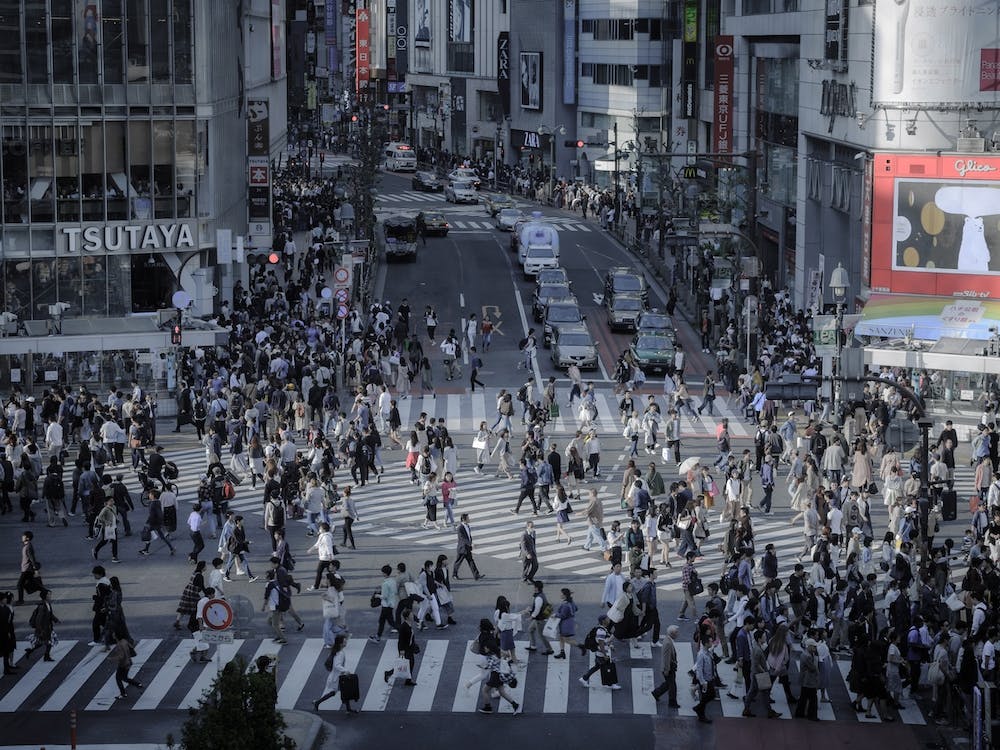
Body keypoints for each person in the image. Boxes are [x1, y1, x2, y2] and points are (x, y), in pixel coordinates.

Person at [313, 634, 358, 712]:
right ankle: (317, 702)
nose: (346, 642)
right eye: (344, 641)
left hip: (337, 676)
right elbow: (337, 665)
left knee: (344, 691)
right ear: (340, 644)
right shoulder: (340, 653)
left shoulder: (338, 651)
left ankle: (348, 709)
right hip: (336, 677)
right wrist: (345, 670)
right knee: (337, 692)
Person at [577, 614, 620, 689]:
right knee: (608, 667)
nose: (609, 620)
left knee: (598, 666)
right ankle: (611, 684)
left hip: (601, 652)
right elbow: (601, 644)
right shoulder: (601, 631)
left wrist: (610, 646)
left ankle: (584, 678)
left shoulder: (602, 629)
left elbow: (604, 641)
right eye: (607, 619)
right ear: (603, 621)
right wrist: (605, 655)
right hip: (602, 653)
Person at [383, 608, 418, 686]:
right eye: (411, 615)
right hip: (405, 649)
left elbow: (411, 637)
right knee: (405, 664)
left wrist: (414, 645)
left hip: (409, 648)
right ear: (407, 617)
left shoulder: (409, 624)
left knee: (410, 664)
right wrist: (401, 650)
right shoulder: (404, 627)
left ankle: (408, 680)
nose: (412, 616)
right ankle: (389, 673)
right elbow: (401, 640)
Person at [24, 588, 58, 662]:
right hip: (44, 629)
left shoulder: (47, 604)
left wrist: (56, 620)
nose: (50, 596)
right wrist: (41, 630)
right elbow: (38, 620)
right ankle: (43, 655)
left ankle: (44, 655)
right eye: (49, 594)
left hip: (48, 627)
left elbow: (50, 614)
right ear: (45, 596)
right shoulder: (42, 606)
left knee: (48, 642)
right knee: (45, 642)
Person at [108, 629, 143, 699]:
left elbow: (121, 656)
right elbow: (131, 648)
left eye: (114, 634)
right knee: (124, 678)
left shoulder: (119, 645)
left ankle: (123, 693)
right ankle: (137, 684)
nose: (113, 635)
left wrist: (112, 659)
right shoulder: (124, 641)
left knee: (118, 678)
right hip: (129, 662)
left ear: (116, 636)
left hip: (123, 664)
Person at [651, 624, 681, 706]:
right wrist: (667, 670)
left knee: (668, 684)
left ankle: (656, 693)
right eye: (676, 633)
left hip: (669, 667)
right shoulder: (668, 643)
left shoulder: (668, 640)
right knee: (672, 686)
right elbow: (666, 658)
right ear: (672, 634)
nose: (678, 634)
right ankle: (672, 702)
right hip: (669, 668)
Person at [522, 579, 553, 655]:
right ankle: (533, 646)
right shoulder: (541, 594)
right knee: (530, 630)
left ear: (536, 588)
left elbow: (537, 610)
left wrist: (531, 617)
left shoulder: (539, 598)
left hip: (540, 619)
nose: (533, 588)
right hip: (538, 618)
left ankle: (549, 649)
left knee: (541, 635)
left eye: (534, 587)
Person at [370, 564, 398, 643]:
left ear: (385, 573)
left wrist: (377, 595)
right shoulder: (393, 581)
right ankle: (378, 636)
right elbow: (395, 591)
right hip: (391, 603)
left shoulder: (385, 584)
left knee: (383, 621)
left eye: (382, 572)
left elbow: (384, 596)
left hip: (386, 605)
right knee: (390, 621)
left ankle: (378, 637)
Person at [453, 513, 484, 580]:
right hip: (462, 548)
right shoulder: (460, 528)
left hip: (467, 548)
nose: (469, 519)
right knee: (458, 562)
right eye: (468, 518)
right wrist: (471, 544)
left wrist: (470, 544)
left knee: (471, 561)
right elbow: (463, 538)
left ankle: (476, 575)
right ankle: (454, 574)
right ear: (464, 519)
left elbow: (468, 536)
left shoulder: (467, 526)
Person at [554, 587, 579, 658]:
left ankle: (580, 646)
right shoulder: (570, 602)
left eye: (561, 594)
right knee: (561, 638)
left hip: (565, 624)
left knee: (567, 640)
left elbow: (562, 615)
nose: (560, 595)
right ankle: (562, 652)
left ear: (564, 595)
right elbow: (576, 608)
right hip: (569, 622)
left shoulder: (565, 604)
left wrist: (555, 615)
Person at [0, 591, 16, 674]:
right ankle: (6, 669)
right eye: (4, 598)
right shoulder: (3, 609)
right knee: (5, 650)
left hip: (7, 631)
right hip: (4, 633)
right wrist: (8, 632)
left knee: (6, 651)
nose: (6, 599)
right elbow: (4, 623)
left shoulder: (5, 608)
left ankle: (7, 667)